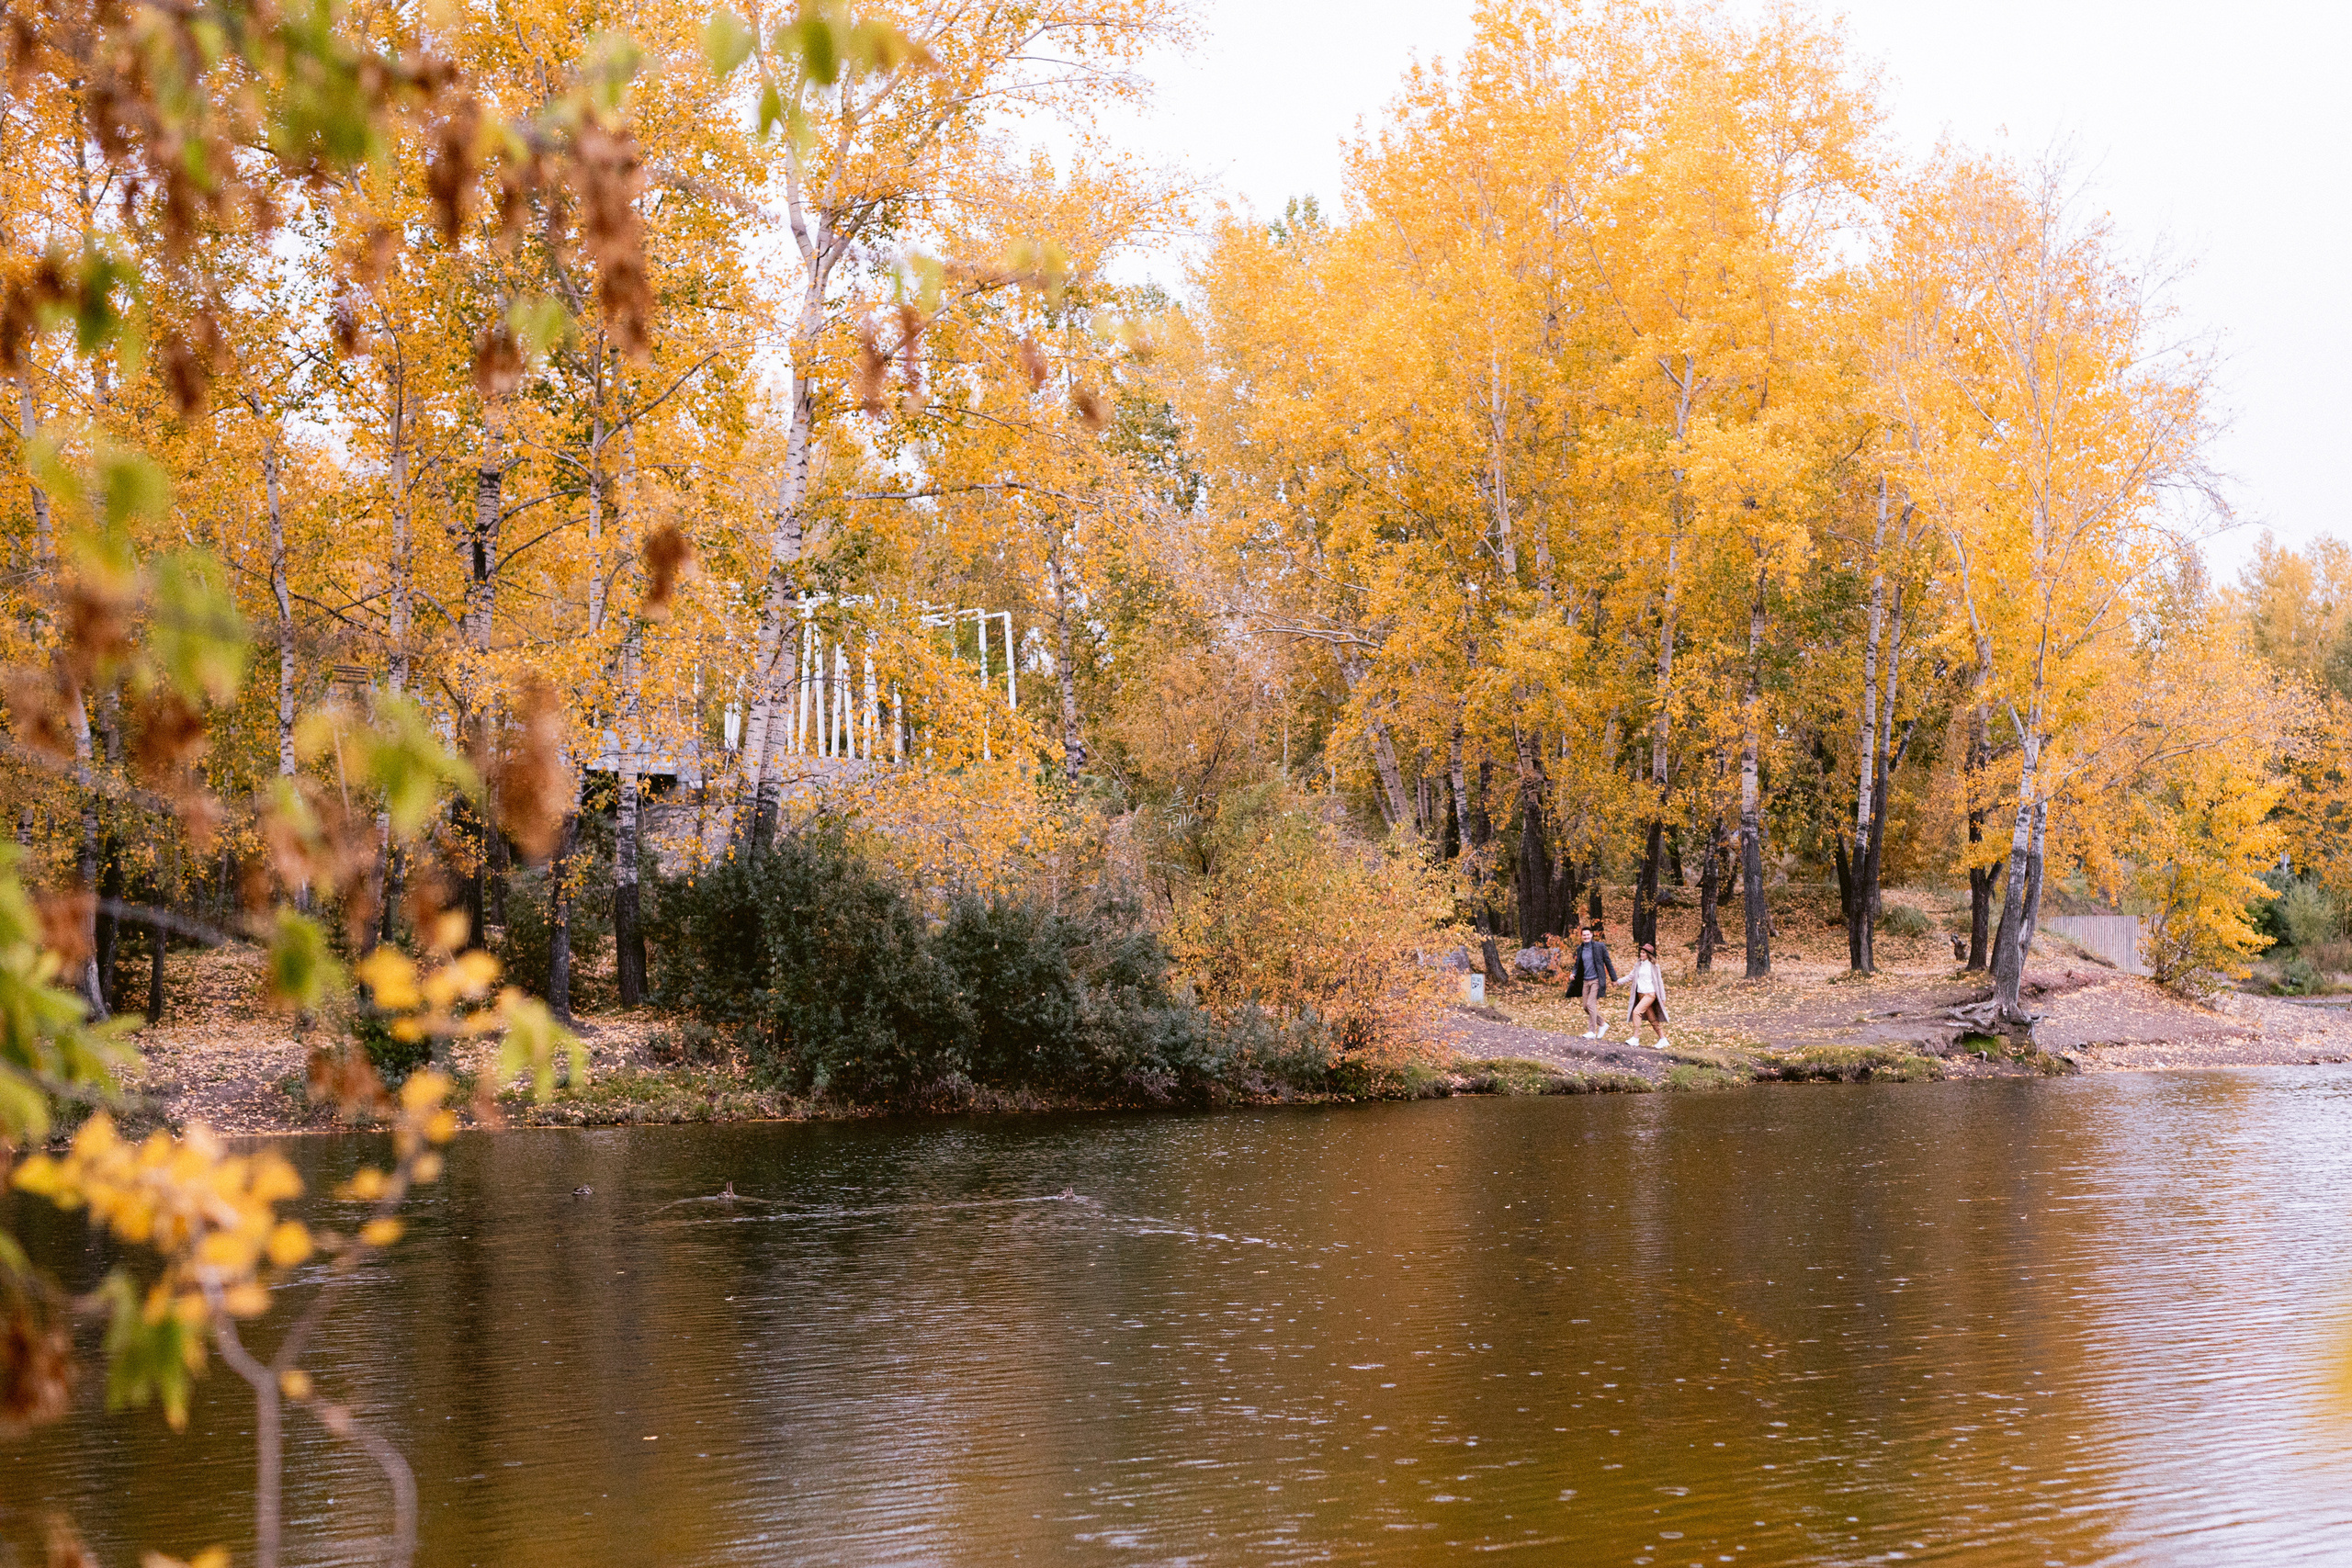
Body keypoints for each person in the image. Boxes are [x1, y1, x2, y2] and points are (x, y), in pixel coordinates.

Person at [1567, 922, 1618, 1038]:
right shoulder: (1580, 949)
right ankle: (1602, 1024)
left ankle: (1592, 1031)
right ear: (1582, 936)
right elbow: (1577, 964)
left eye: (1588, 935)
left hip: (1596, 980)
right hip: (1585, 981)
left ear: (1592, 935)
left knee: (1591, 1004)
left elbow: (1608, 962)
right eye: (1584, 935)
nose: (1586, 937)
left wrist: (1614, 978)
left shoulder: (1599, 947)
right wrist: (1573, 973)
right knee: (1585, 1006)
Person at [1626, 942, 1669, 1050]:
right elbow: (1631, 976)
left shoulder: (1654, 967)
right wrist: (1617, 981)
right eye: (1640, 953)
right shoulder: (1638, 965)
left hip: (1650, 994)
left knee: (1636, 1012)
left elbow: (1660, 982)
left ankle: (1635, 1038)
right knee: (1651, 1018)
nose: (1641, 955)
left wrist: (1663, 997)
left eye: (1643, 953)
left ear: (1648, 955)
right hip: (1641, 994)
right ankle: (1663, 1039)